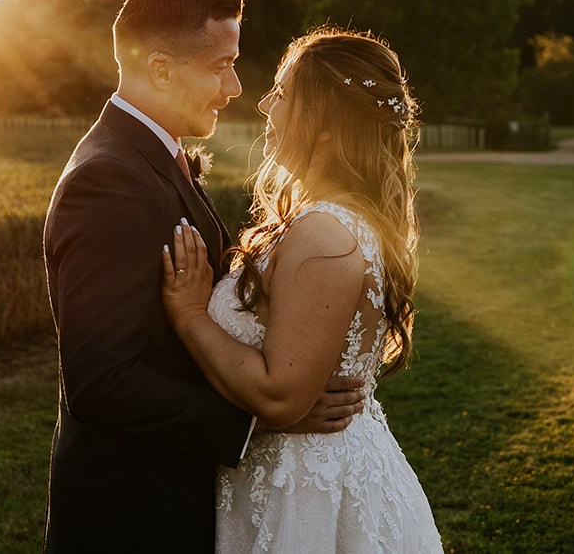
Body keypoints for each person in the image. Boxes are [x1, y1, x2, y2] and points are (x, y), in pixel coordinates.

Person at [43, 0, 363, 553]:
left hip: (176, 495)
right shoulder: (108, 180)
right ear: (161, 69)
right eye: (222, 65)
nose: (236, 87)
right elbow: (101, 381)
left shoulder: (152, 157)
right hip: (134, 515)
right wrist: (264, 415)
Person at [161, 28, 443, 552]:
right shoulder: (333, 222)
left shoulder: (325, 234)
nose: (266, 103)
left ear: (327, 126)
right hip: (300, 472)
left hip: (310, 494)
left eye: (284, 93)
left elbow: (280, 394)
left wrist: (188, 316)